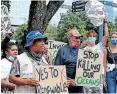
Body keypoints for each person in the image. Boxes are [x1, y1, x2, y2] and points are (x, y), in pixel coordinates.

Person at [83, 21, 108, 93]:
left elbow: (106, 35)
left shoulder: (99, 46)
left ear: (96, 38)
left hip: (98, 78)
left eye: (94, 36)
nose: (92, 37)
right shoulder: (84, 49)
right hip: (87, 79)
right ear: (87, 37)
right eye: (90, 36)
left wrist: (105, 22)